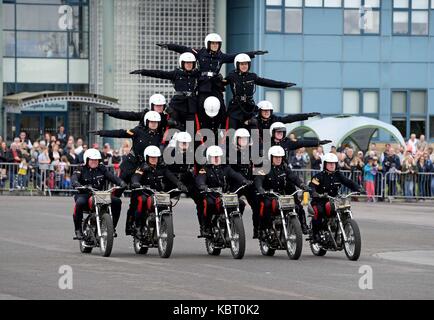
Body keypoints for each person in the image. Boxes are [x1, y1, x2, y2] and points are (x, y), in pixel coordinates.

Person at [156, 33, 268, 118]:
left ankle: (222, 128)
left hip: (216, 86)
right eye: (213, 43)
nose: (215, 45)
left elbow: (236, 56)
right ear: (208, 44)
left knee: (221, 108)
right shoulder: (200, 53)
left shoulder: (221, 56)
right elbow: (184, 49)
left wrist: (252, 53)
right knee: (200, 107)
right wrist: (168, 46)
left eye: (217, 43)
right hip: (203, 86)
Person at [92, 111, 163, 235]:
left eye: (156, 122)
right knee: (115, 196)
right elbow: (121, 132)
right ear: (146, 122)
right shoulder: (138, 131)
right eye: (151, 122)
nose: (154, 124)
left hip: (144, 169)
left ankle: (133, 225)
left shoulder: (160, 135)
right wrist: (102, 133)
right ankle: (107, 224)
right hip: (130, 167)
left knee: (137, 199)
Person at [223, 54, 296, 129]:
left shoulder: (252, 76)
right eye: (242, 64)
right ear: (237, 65)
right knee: (231, 132)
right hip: (235, 108)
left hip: (249, 108)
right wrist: (217, 79)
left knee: (254, 129)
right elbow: (221, 83)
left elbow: (266, 82)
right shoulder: (232, 76)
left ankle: (258, 141)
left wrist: (283, 85)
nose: (244, 66)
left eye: (246, 64)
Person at [130, 53, 200, 131]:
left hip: (191, 107)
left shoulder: (197, 74)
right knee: (172, 126)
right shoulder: (176, 73)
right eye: (187, 62)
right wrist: (143, 72)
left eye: (191, 63)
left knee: (192, 130)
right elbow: (160, 74)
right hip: (177, 105)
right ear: (182, 63)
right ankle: (166, 143)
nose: (189, 65)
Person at [130, 146, 187, 237]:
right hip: (145, 192)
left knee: (168, 202)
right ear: (147, 157)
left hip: (158, 193)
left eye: (156, 157)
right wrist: (135, 182)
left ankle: (168, 228)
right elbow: (136, 176)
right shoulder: (142, 167)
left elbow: (171, 176)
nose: (154, 159)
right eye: (152, 157)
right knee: (142, 200)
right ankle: (138, 227)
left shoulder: (162, 168)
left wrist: (180, 184)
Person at [195, 146, 251, 237]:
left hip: (224, 195)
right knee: (208, 203)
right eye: (214, 157)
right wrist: (202, 185)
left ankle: (235, 222)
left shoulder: (226, 168)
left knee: (241, 203)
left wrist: (244, 180)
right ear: (209, 157)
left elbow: (235, 175)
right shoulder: (205, 169)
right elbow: (200, 179)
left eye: (218, 156)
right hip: (211, 195)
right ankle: (206, 227)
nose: (217, 159)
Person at [71, 148, 127, 240]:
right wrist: (76, 184)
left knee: (117, 201)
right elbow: (74, 178)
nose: (94, 161)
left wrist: (121, 183)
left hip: (100, 194)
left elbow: (112, 177)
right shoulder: (81, 168)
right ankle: (78, 230)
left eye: (96, 160)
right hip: (85, 194)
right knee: (80, 202)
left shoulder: (102, 168)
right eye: (92, 160)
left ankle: (112, 227)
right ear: (87, 160)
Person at [309, 153, 363, 243]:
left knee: (344, 210)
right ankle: (316, 233)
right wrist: (314, 192)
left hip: (334, 200)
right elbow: (312, 186)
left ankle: (341, 227)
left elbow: (348, 182)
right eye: (329, 163)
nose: (332, 165)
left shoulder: (338, 175)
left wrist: (358, 188)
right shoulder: (318, 176)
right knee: (319, 211)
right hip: (320, 200)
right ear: (325, 164)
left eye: (333, 163)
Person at [254, 146, 309, 235]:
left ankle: (303, 225)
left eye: (280, 157)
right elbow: (258, 179)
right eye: (276, 157)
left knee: (297, 205)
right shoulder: (265, 168)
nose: (279, 159)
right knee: (267, 205)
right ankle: (268, 228)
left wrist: (302, 185)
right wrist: (260, 188)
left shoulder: (284, 168)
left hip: (281, 195)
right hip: (269, 195)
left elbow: (294, 177)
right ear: (271, 157)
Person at [104, 93, 171, 137]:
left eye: (161, 105)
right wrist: (112, 113)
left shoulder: (167, 117)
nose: (159, 108)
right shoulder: (145, 115)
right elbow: (130, 115)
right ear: (152, 105)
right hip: (143, 140)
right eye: (157, 105)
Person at [253, 100, 320, 140]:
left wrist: (306, 115)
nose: (267, 112)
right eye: (264, 110)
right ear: (259, 111)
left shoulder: (275, 119)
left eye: (268, 110)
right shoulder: (254, 121)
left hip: (272, 147)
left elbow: (290, 118)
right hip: (256, 147)